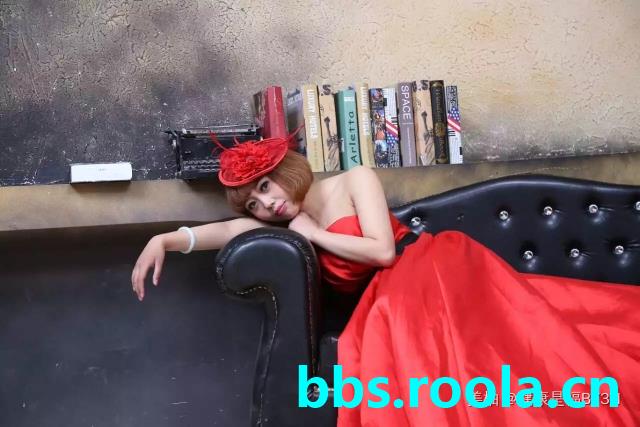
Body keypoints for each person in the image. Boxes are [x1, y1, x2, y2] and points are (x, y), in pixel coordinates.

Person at [131, 132, 640, 426]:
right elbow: (225, 230)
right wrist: (166, 240)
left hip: (433, 266)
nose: (268, 205)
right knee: (411, 343)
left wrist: (315, 235)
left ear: (284, 171)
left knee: (505, 350)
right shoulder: (284, 227)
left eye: (266, 187)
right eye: (255, 205)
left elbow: (382, 251)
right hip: (391, 293)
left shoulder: (355, 180)